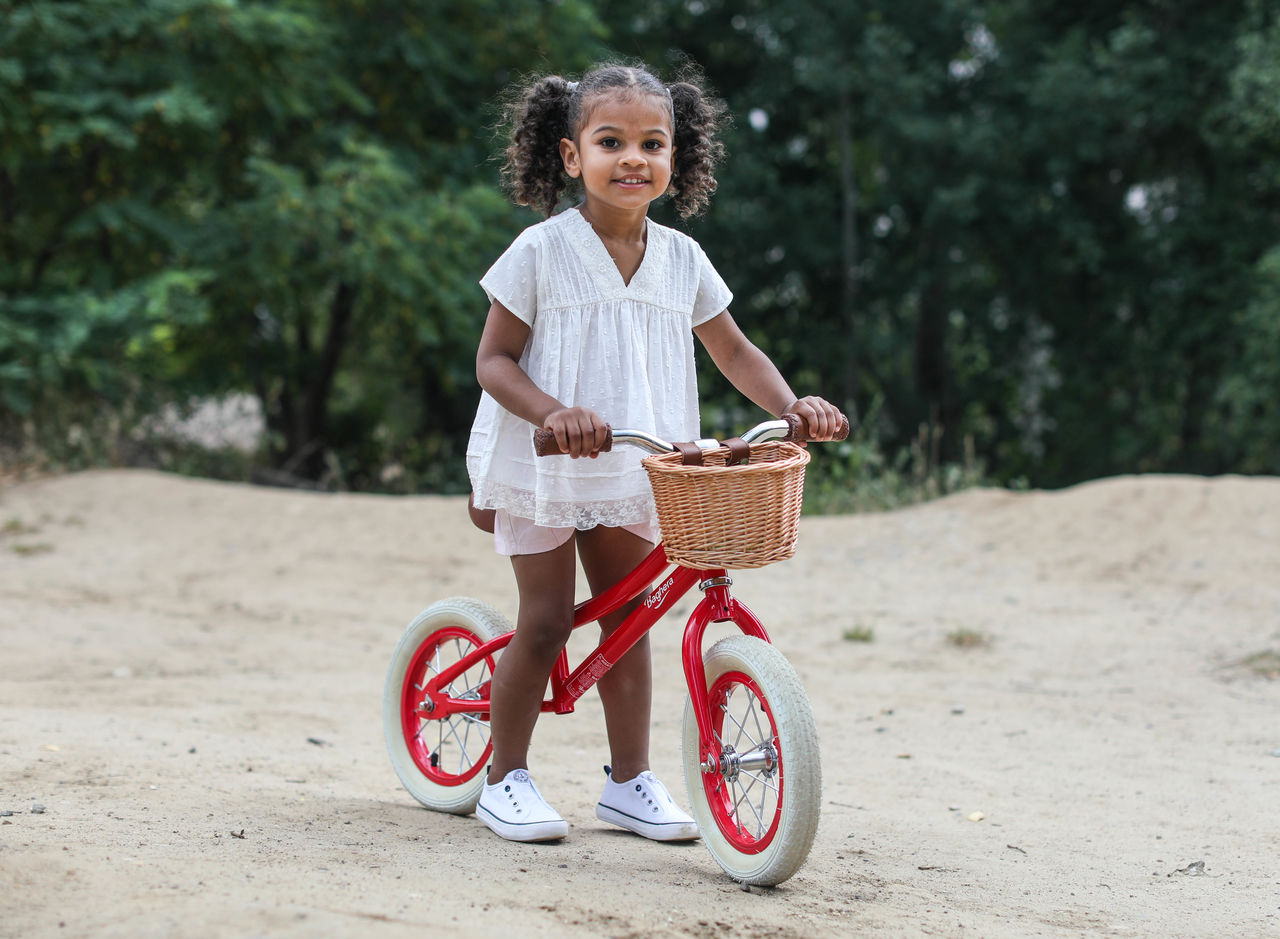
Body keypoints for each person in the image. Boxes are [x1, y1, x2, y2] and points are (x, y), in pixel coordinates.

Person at [467, 62, 844, 843]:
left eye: (652, 142)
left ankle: (629, 781)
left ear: (677, 159)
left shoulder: (682, 258)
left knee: (631, 622)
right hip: (545, 460)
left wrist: (790, 405)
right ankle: (503, 779)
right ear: (572, 157)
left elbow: (734, 350)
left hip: (636, 462)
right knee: (544, 621)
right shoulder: (541, 251)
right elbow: (494, 361)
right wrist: (556, 412)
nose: (633, 157)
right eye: (611, 141)